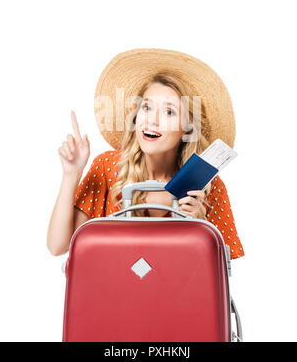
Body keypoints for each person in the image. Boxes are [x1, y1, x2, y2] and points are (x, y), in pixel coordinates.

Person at [47, 48, 244, 260]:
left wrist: (197, 227)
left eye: (169, 112)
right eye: (147, 107)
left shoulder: (206, 188)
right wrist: (71, 173)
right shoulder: (107, 166)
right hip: (111, 292)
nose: (152, 120)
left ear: (188, 128)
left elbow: (215, 275)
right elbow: (58, 246)